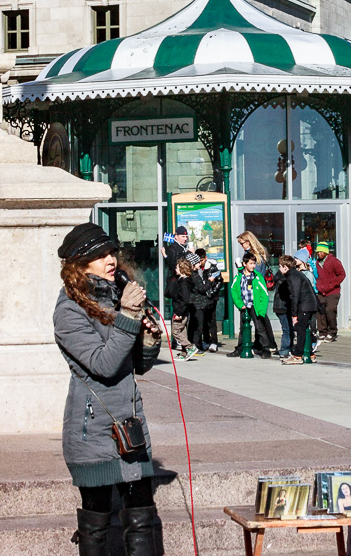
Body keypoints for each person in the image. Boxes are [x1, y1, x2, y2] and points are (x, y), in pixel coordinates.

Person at [53, 222, 163, 556]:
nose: (110, 259)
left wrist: (148, 340)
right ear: (80, 264)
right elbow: (103, 365)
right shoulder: (69, 311)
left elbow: (135, 366)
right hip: (93, 432)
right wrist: (129, 315)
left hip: (129, 427)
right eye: (100, 255)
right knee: (97, 516)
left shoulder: (116, 297)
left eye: (111, 251)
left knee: (142, 512)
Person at [228, 252, 277, 358]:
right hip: (244, 306)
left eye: (254, 263)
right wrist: (240, 304)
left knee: (260, 328)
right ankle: (240, 348)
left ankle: (265, 348)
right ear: (244, 264)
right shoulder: (239, 276)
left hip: (255, 306)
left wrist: (262, 309)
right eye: (250, 263)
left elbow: (264, 294)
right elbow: (234, 291)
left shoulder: (257, 276)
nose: (253, 266)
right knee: (243, 329)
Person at [278, 253, 320, 365]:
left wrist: (294, 314)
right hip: (309, 305)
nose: (279, 268)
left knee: (301, 329)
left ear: (285, 267)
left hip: (304, 305)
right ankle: (310, 354)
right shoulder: (296, 274)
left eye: (280, 266)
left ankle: (297, 355)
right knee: (304, 329)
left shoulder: (292, 276)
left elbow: (294, 295)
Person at [188, 248, 220, 352]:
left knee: (211, 320)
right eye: (198, 261)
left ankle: (213, 341)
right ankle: (205, 340)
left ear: (205, 258)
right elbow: (200, 286)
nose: (200, 263)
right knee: (202, 322)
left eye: (201, 260)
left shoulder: (211, 267)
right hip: (201, 299)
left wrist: (211, 292)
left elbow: (219, 281)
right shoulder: (195, 273)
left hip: (210, 297)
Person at [315, 241, 346, 341]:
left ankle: (332, 331)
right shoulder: (316, 263)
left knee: (330, 310)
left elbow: (342, 274)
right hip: (321, 291)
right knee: (320, 311)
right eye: (317, 252)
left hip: (333, 291)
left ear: (325, 252)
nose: (318, 253)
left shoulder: (334, 261)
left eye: (320, 252)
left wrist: (333, 284)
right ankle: (322, 331)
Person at [166, 259, 197, 360]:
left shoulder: (183, 283)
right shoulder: (182, 280)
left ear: (182, 269)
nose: (175, 269)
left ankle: (190, 347)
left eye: (177, 267)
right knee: (182, 331)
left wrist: (179, 313)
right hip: (181, 310)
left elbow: (184, 299)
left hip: (180, 311)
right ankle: (184, 353)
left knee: (175, 331)